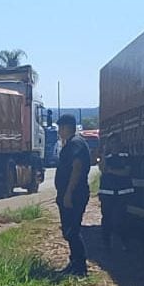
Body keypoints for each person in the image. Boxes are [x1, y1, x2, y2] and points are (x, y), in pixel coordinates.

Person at [55, 114, 92, 276]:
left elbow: (77, 167)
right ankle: (74, 262)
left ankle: (80, 266)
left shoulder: (75, 143)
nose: (59, 132)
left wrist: (69, 193)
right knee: (69, 230)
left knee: (72, 230)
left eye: (60, 128)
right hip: (70, 194)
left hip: (75, 195)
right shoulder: (71, 143)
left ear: (66, 127)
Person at [98, 135, 133, 251]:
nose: (114, 145)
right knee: (106, 218)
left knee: (120, 219)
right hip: (107, 192)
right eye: (111, 143)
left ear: (120, 143)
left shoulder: (125, 156)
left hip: (122, 192)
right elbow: (102, 169)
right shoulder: (106, 157)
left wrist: (111, 171)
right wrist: (103, 154)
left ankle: (123, 242)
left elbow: (126, 172)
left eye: (116, 142)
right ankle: (106, 242)